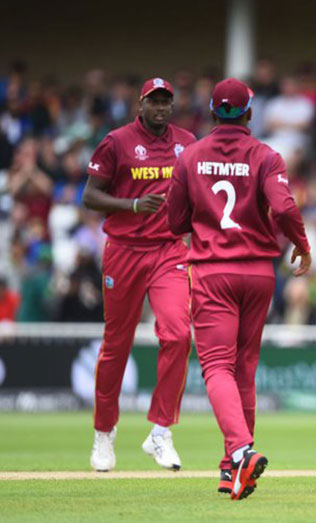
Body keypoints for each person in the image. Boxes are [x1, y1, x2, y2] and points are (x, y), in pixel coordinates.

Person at [167, 78, 311, 500]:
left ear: (212, 113)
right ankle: (231, 468)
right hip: (258, 273)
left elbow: (175, 223)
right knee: (244, 367)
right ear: (250, 114)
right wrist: (302, 245)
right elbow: (283, 207)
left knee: (215, 367)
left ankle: (241, 451)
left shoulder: (189, 157)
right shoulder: (266, 156)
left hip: (213, 272)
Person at [83, 78, 196, 472]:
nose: (161, 108)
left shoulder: (187, 141)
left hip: (168, 251)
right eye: (154, 102)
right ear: (140, 104)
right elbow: (90, 195)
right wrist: (131, 205)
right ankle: (104, 433)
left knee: (179, 335)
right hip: (125, 252)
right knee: (116, 344)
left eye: (166, 101)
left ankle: (161, 431)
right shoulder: (116, 141)